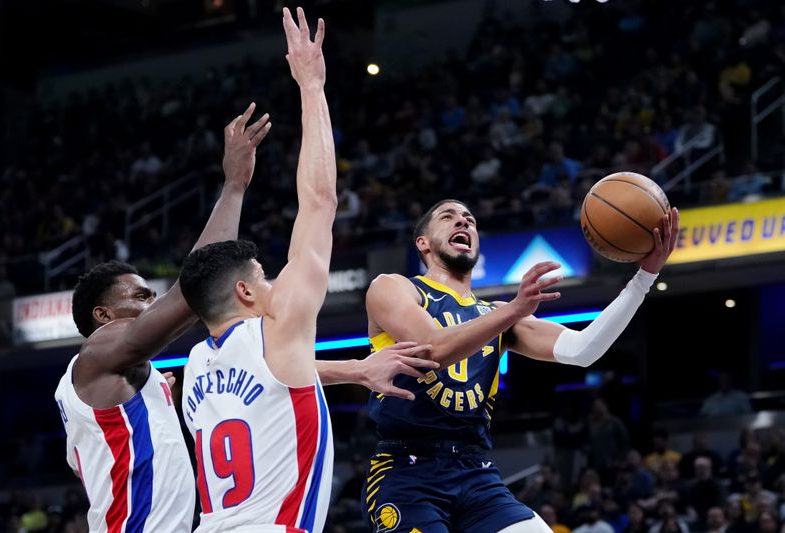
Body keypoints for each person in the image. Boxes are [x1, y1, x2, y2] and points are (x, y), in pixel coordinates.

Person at [176, 8, 435, 532]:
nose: (276, 284)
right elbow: (319, 202)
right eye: (266, 276)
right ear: (247, 292)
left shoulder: (196, 372)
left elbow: (279, 380)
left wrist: (355, 371)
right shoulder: (278, 329)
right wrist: (311, 85)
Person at [362, 198, 679, 532]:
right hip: (407, 471)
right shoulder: (393, 287)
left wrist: (644, 277)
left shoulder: (495, 314)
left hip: (476, 472)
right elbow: (433, 350)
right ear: (422, 243)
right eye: (448, 217)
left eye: (469, 219)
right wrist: (512, 310)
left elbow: (583, 349)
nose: (463, 222)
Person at [54, 101, 272, 533]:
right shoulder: (97, 351)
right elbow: (191, 293)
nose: (151, 303)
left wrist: (149, 406)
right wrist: (233, 186)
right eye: (139, 296)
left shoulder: (101, 383)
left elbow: (86, 466)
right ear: (103, 314)